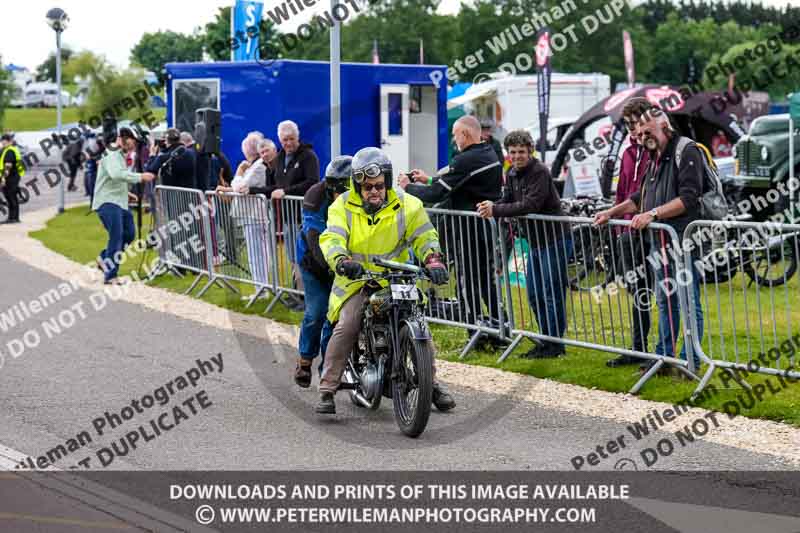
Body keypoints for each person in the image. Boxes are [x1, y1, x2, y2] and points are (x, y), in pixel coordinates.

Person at [316, 147, 455, 415]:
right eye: (367, 187)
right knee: (348, 325)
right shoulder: (341, 206)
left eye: (379, 185)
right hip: (357, 280)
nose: (374, 191)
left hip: (396, 278)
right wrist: (342, 261)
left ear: (387, 182)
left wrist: (433, 260)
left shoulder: (408, 203)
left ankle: (430, 383)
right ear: (357, 186)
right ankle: (327, 387)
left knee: (418, 324)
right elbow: (331, 238)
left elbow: (425, 235)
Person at [594, 98, 704, 373]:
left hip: (684, 240)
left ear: (664, 125)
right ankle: (664, 359)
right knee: (664, 300)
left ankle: (691, 361)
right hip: (660, 242)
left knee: (688, 301)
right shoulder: (652, 157)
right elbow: (637, 198)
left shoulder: (686, 150)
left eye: (648, 132)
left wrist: (653, 215)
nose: (643, 138)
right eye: (639, 134)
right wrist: (611, 212)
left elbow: (689, 199)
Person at [399, 115, 503, 326]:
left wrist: (407, 187)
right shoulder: (488, 151)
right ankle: (500, 325)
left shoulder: (465, 159)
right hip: (484, 229)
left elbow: (438, 193)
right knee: (486, 281)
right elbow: (460, 183)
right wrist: (427, 179)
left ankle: (474, 328)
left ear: (465, 134)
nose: (454, 140)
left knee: (467, 282)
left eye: (455, 135)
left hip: (470, 232)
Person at [477, 130, 572, 358]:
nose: (517, 156)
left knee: (551, 292)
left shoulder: (539, 171)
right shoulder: (510, 172)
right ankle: (546, 339)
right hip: (535, 242)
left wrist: (496, 210)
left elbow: (531, 204)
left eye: (521, 152)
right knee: (534, 293)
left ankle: (555, 344)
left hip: (555, 239)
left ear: (530, 151)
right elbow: (508, 200)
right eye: (513, 152)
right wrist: (490, 206)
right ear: (507, 154)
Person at [293, 156, 352, 388]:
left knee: (335, 317)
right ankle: (305, 361)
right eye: (337, 190)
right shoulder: (314, 197)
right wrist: (332, 266)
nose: (341, 196)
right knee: (317, 312)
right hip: (314, 262)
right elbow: (315, 239)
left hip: (345, 259)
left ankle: (328, 370)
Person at [605, 106, 653, 368]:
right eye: (629, 124)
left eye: (636, 123)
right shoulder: (627, 154)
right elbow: (622, 192)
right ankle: (638, 347)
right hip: (627, 232)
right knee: (636, 291)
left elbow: (645, 195)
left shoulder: (654, 152)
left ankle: (662, 352)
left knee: (657, 290)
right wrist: (617, 226)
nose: (633, 129)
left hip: (652, 231)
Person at [92, 128, 155, 284]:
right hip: (108, 202)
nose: (134, 146)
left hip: (118, 201)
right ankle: (111, 276)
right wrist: (141, 177)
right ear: (125, 138)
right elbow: (116, 174)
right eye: (133, 142)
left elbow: (113, 178)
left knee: (129, 234)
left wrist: (126, 193)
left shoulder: (118, 154)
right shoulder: (112, 153)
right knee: (117, 236)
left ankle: (104, 258)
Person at [218, 133, 272, 288]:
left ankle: (261, 288)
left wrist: (239, 172)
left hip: (254, 215)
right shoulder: (256, 165)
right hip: (251, 214)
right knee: (257, 253)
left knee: (257, 254)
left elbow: (240, 188)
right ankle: (262, 287)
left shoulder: (258, 166)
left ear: (247, 150)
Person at [1, 133, 23, 224]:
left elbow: (8, 166)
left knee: (11, 197)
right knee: (11, 197)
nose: (3, 143)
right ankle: (13, 217)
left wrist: (3, 178)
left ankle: (13, 218)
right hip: (14, 176)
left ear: (10, 142)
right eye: (2, 142)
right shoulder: (11, 149)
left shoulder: (9, 151)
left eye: (5, 142)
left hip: (10, 177)